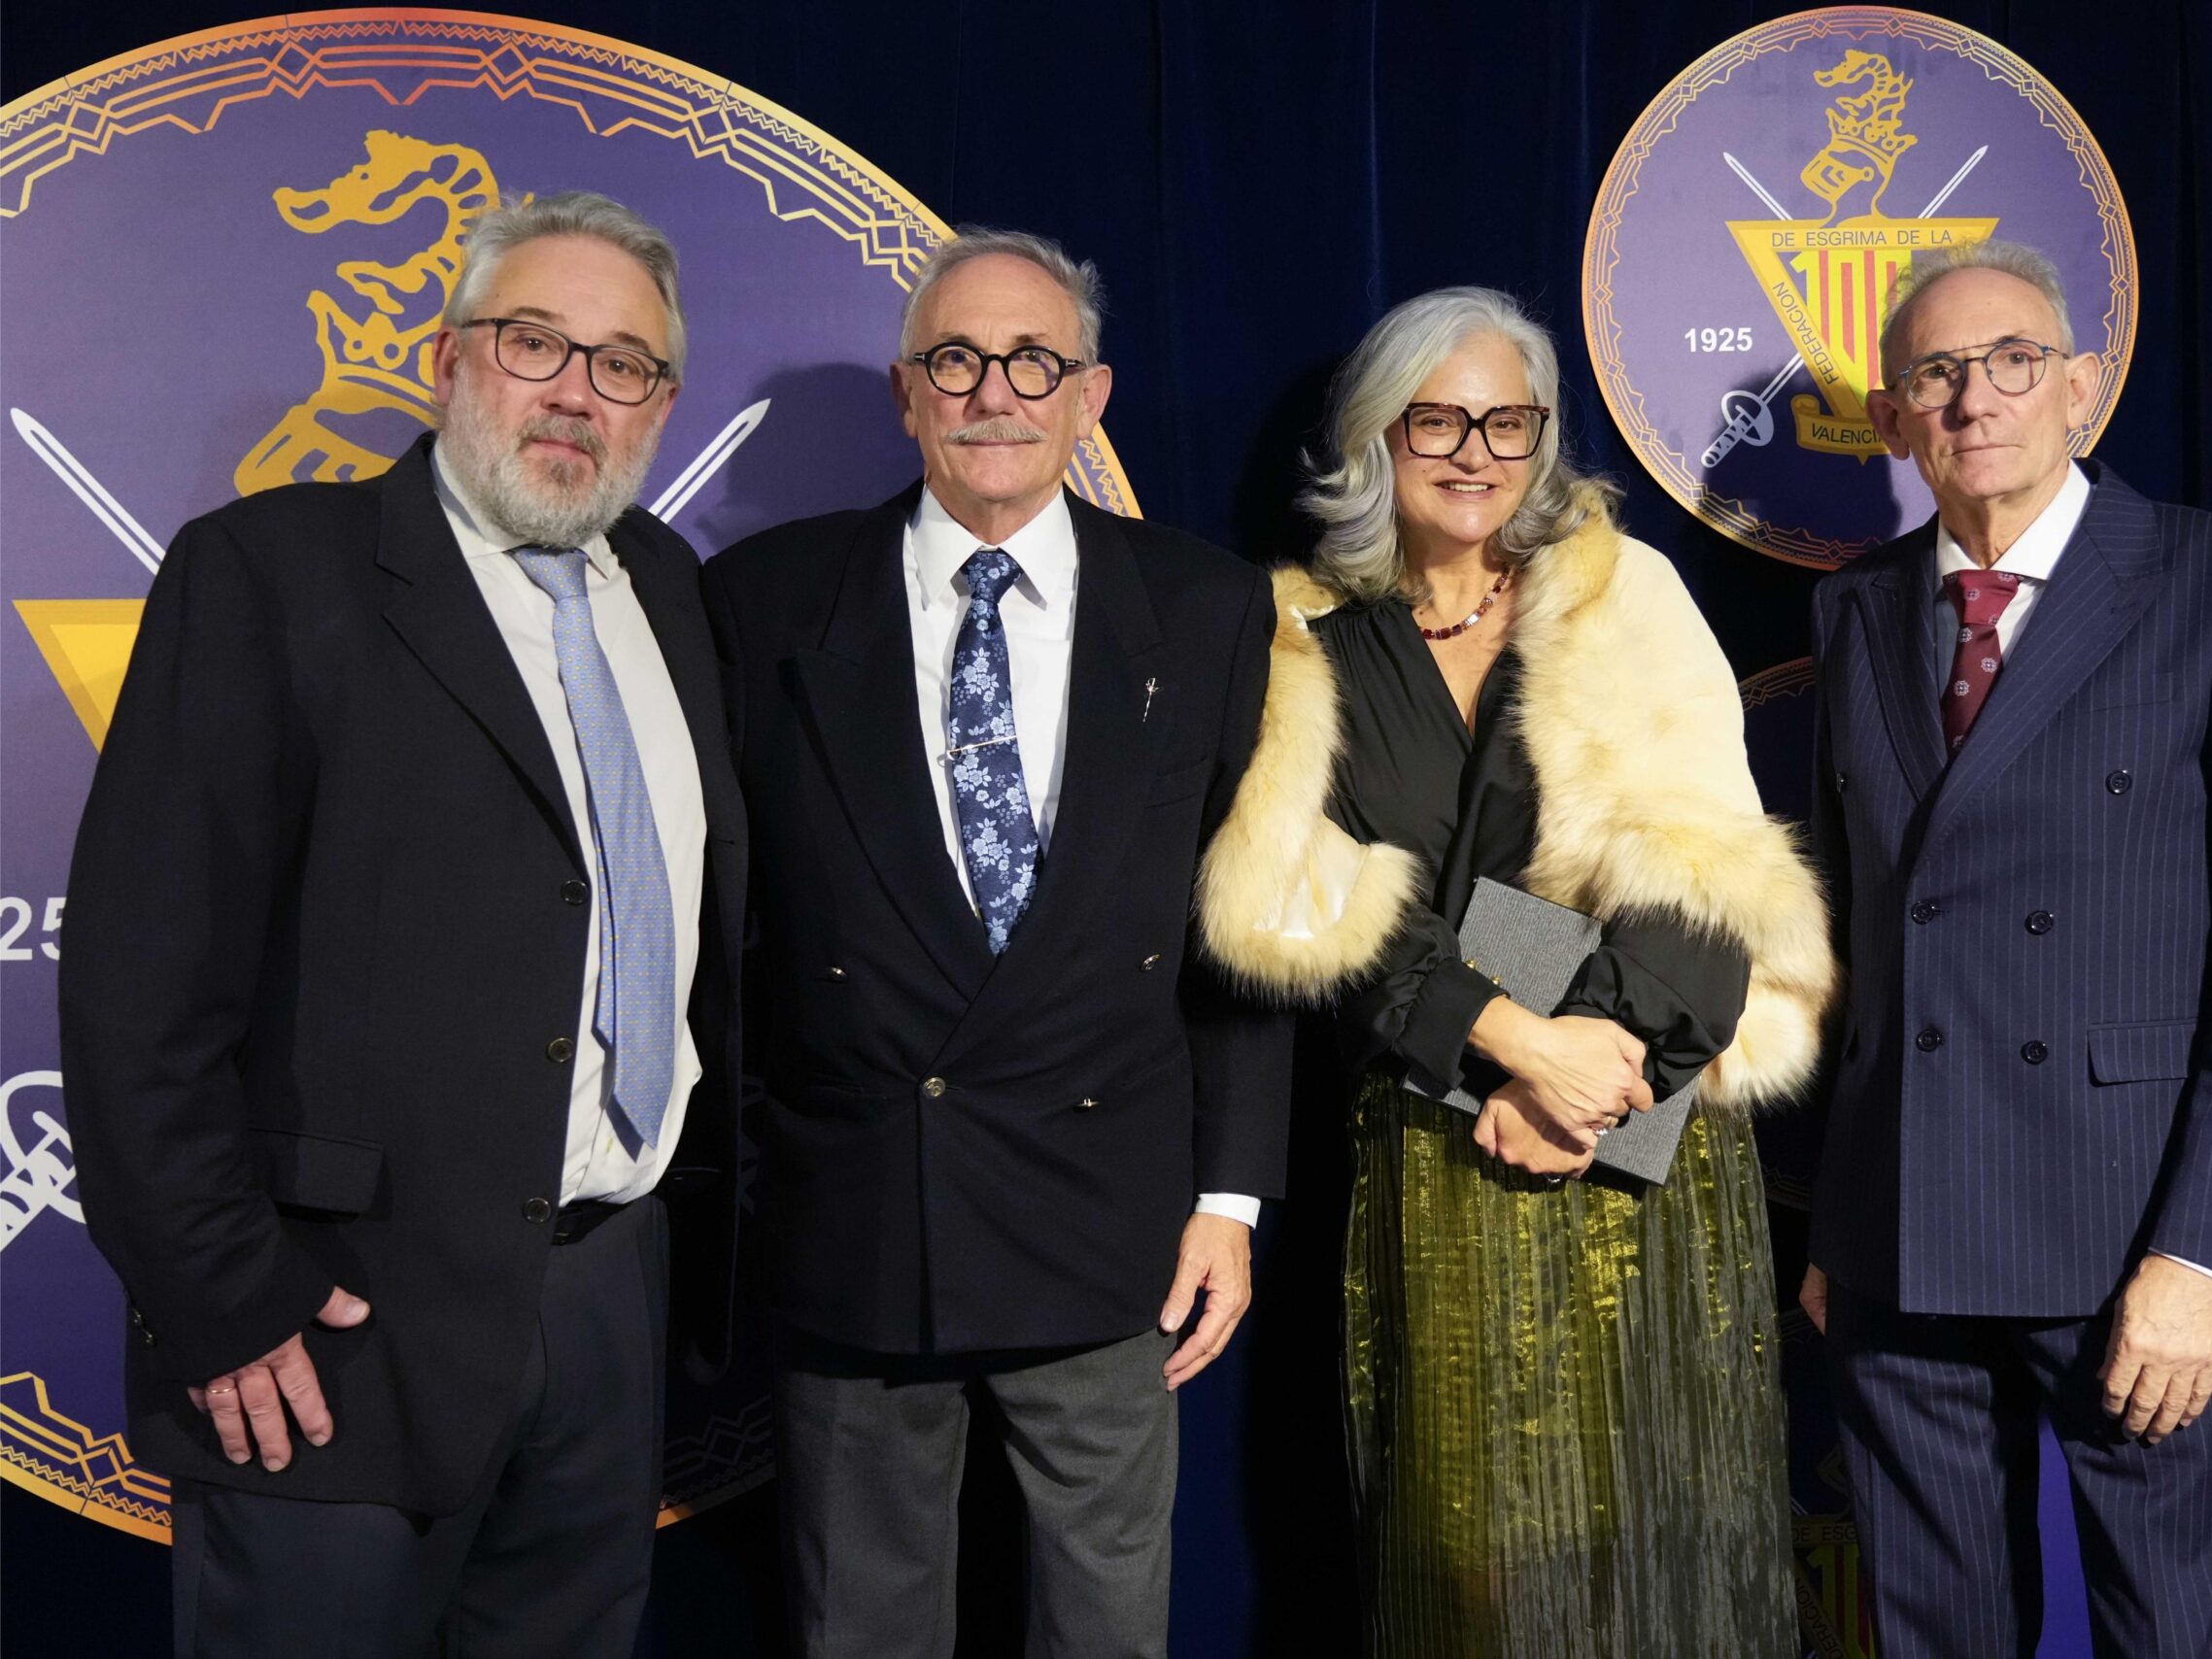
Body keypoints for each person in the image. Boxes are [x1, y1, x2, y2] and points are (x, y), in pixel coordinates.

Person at [58, 191, 743, 1655]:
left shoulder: (673, 594)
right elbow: (137, 989)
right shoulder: (267, 573)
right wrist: (223, 1299)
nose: (577, 390)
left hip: (608, 1303)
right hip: (334, 1325)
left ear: (663, 405)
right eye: (535, 341)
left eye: (624, 363)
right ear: (448, 358)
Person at [1196, 287, 1836, 1657]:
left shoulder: (1621, 591)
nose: (1475, 452)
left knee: (1674, 1557)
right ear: (1378, 434)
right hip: (1441, 1134)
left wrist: (1596, 1069)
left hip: (1649, 1127)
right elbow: (1310, 905)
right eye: (1438, 419)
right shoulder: (1298, 637)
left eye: (1509, 422)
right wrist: (1517, 1040)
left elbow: (1703, 866)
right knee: (1475, 1570)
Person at [700, 228, 1289, 1659]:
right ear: (908, 391)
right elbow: (723, 925)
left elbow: (1247, 923)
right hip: (858, 1208)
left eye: (1034, 362)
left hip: (1111, 1216)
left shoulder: (1207, 605)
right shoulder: (762, 599)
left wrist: (1230, 1196)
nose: (994, 395)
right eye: (957, 360)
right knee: (864, 1624)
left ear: (1092, 396)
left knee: (1105, 1625)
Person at [1799, 240, 2212, 1656]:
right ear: (1893, 420)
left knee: (2162, 1629)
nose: (1975, 397)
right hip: (1899, 1230)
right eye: (1937, 373)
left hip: (2130, 1232)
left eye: (2013, 360)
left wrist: (2205, 1257)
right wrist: (1834, 1218)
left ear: (2082, 387)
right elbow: (1846, 931)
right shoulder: (1856, 608)